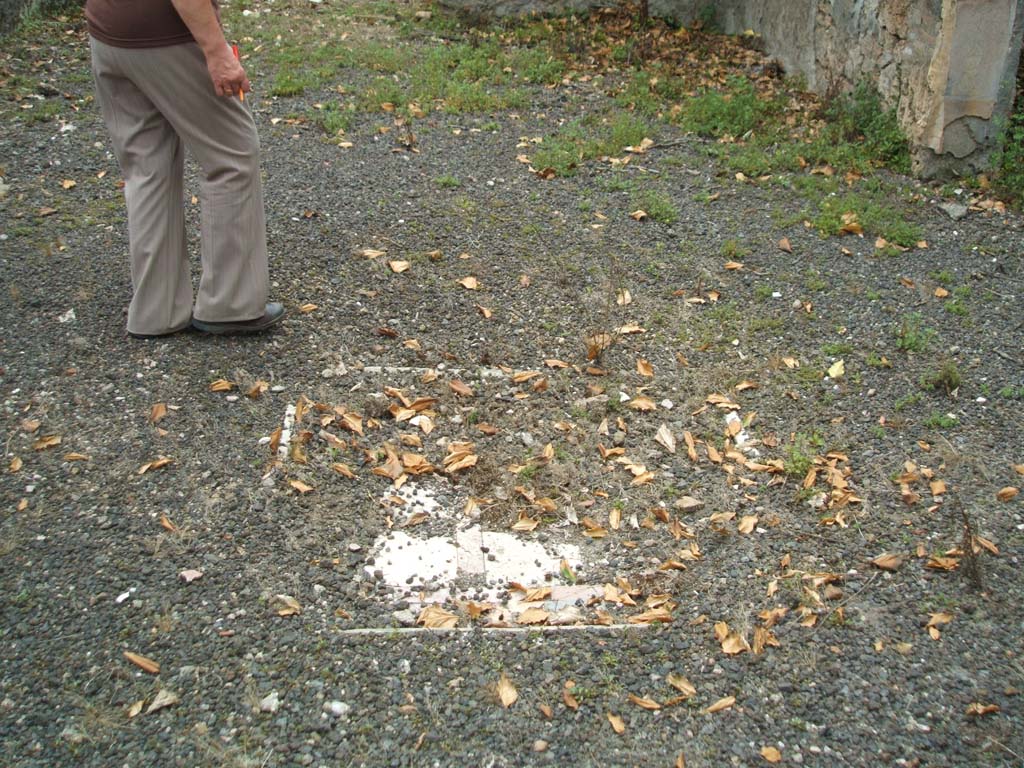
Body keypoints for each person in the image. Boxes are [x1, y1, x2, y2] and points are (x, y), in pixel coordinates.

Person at [85, 0, 284, 337]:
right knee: (231, 155)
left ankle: (156, 311)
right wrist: (217, 51)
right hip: (167, 36)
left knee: (147, 169)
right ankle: (230, 304)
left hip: (109, 33)